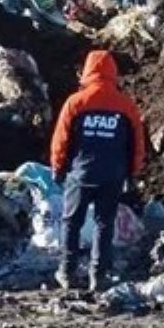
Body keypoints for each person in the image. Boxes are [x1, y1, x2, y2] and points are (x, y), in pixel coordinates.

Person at [49, 49, 146, 291]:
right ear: (113, 73)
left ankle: (66, 272)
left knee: (71, 222)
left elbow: (60, 140)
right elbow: (137, 143)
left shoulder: (76, 102)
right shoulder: (125, 105)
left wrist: (58, 167)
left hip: (80, 174)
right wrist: (133, 173)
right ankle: (98, 276)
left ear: (87, 71)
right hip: (113, 175)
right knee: (105, 224)